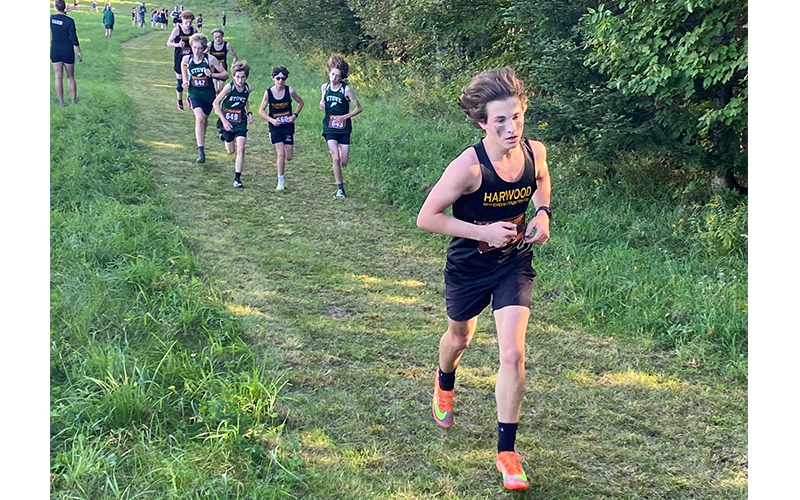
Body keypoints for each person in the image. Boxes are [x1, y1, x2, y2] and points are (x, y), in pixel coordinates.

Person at [415, 67, 551, 491]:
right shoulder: (468, 168)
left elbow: (542, 181)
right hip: (468, 267)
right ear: (481, 123)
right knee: (460, 340)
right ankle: (444, 384)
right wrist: (482, 232)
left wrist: (543, 213)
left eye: (517, 118)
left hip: (513, 262)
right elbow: (426, 218)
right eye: (500, 121)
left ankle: (507, 453)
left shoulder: (535, 152)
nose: (511, 128)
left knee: (512, 353)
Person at [319, 54, 362, 198]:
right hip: (329, 127)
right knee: (335, 158)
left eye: (337, 76)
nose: (334, 78)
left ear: (341, 76)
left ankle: (339, 151)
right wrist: (322, 104)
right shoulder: (324, 87)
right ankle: (340, 188)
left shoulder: (346, 90)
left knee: (343, 161)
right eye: (332, 74)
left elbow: (358, 108)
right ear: (329, 72)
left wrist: (344, 116)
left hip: (344, 128)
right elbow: (323, 103)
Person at [181, 32, 228, 163]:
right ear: (191, 46)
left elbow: (225, 75)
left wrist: (212, 74)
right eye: (194, 47)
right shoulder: (187, 59)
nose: (196, 50)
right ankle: (201, 151)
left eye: (199, 48)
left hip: (208, 95)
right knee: (200, 118)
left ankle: (202, 139)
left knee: (205, 119)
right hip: (194, 94)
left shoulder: (210, 59)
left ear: (204, 48)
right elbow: (183, 65)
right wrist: (185, 80)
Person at [258, 66, 304, 191]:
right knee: (281, 154)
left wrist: (294, 115)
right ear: (273, 78)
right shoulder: (268, 93)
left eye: (283, 79)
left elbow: (301, 102)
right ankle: (280, 182)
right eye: (278, 78)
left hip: (288, 126)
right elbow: (261, 111)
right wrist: (272, 120)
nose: (280, 81)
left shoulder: (290, 91)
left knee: (289, 157)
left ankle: (281, 179)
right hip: (275, 127)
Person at [213, 60, 254, 188]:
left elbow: (245, 100)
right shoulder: (229, 87)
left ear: (246, 77)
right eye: (237, 77)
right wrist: (224, 121)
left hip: (241, 122)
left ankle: (237, 178)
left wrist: (249, 113)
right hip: (228, 121)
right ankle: (224, 136)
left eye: (243, 77)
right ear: (233, 76)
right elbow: (216, 103)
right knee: (231, 151)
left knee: (241, 148)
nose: (240, 80)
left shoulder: (248, 88)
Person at [50, 0, 82, 106]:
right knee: (70, 77)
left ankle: (61, 102)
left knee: (58, 77)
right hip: (67, 50)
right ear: (65, 7)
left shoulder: (51, 18)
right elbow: (73, 37)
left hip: (55, 50)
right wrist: (79, 51)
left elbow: (59, 21)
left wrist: (63, 11)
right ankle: (73, 101)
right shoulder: (69, 21)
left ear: (55, 7)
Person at [166, 10, 195, 110]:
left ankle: (190, 99)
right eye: (186, 22)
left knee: (191, 81)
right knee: (180, 83)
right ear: (182, 20)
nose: (188, 25)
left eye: (190, 22)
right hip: (179, 58)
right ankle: (179, 101)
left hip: (191, 59)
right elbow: (168, 43)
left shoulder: (194, 31)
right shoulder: (177, 30)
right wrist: (178, 44)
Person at [207, 29, 238, 94]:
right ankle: (214, 102)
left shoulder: (227, 45)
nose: (218, 39)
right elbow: (201, 53)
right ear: (213, 37)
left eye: (219, 37)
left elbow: (235, 56)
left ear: (222, 36)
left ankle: (218, 101)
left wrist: (233, 64)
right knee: (214, 87)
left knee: (220, 89)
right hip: (213, 68)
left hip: (222, 67)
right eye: (216, 37)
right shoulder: (210, 45)